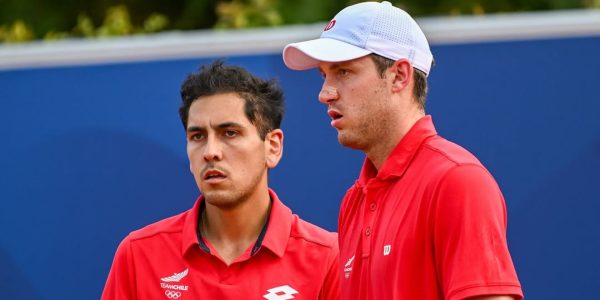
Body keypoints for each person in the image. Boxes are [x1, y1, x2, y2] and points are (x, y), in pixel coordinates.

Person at [282, 1, 523, 300]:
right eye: (324, 75)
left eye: (344, 72)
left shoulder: (458, 180)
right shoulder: (353, 201)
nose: (325, 94)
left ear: (399, 75)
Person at [101, 61, 340, 300]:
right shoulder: (138, 255)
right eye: (197, 136)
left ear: (273, 147)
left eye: (230, 133)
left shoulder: (328, 257)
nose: (210, 151)